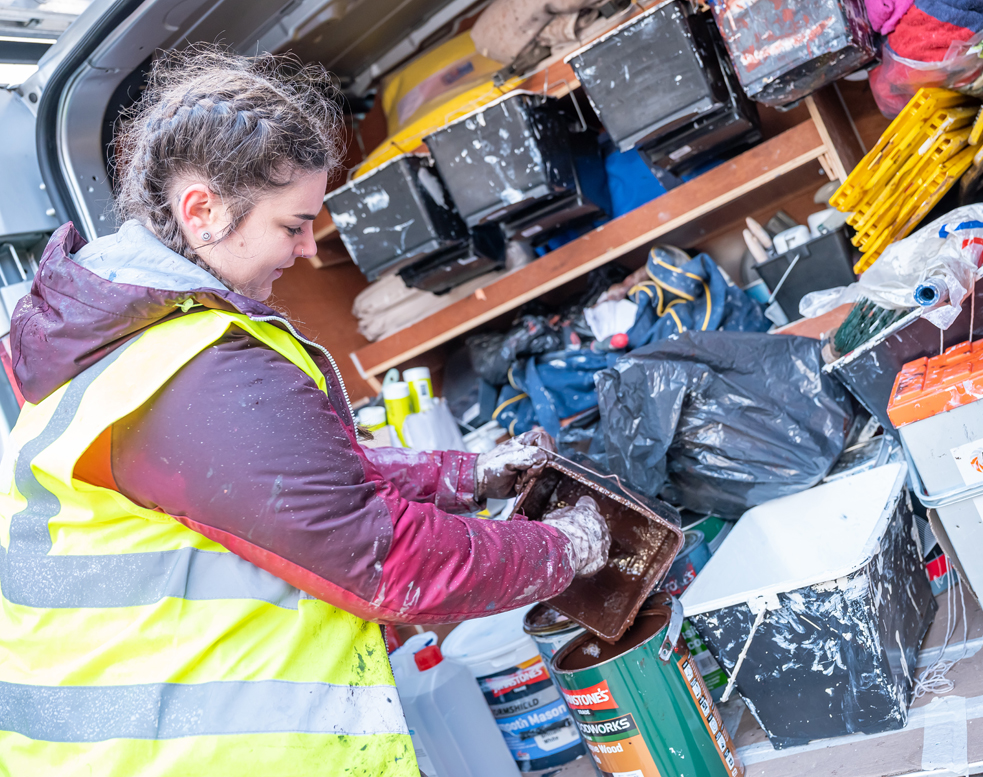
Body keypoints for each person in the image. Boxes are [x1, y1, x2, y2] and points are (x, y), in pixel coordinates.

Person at [0, 48, 610, 776]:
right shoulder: (192, 366)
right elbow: (387, 558)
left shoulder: (118, 345)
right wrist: (562, 549)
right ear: (203, 210)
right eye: (294, 224)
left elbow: (292, 480)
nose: (305, 251)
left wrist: (466, 474)